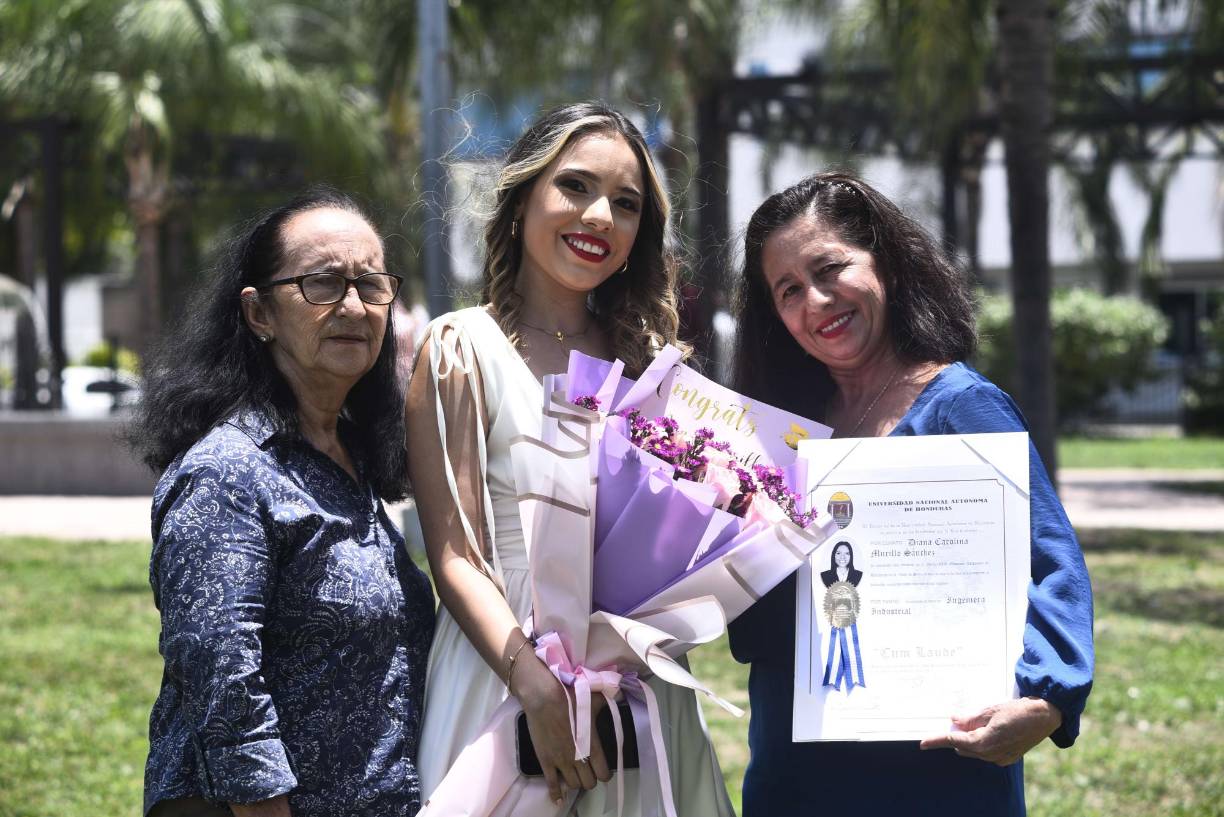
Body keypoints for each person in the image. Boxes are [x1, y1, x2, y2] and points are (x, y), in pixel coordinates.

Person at [726, 172, 1094, 816]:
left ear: (885, 263)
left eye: (830, 268)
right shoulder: (780, 435)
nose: (814, 300)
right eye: (788, 290)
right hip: (794, 768)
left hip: (934, 772)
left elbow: (1051, 561)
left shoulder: (962, 405)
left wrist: (1046, 697)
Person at [407, 101, 734, 814]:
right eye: (575, 187)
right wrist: (536, 684)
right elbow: (455, 554)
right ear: (523, 198)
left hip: (640, 695)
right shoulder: (461, 348)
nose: (599, 218)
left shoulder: (655, 373)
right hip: (507, 678)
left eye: (626, 204)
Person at [131, 188, 436, 817]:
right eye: (323, 283)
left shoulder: (352, 463)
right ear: (259, 314)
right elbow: (223, 680)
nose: (354, 305)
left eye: (372, 284)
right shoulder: (227, 473)